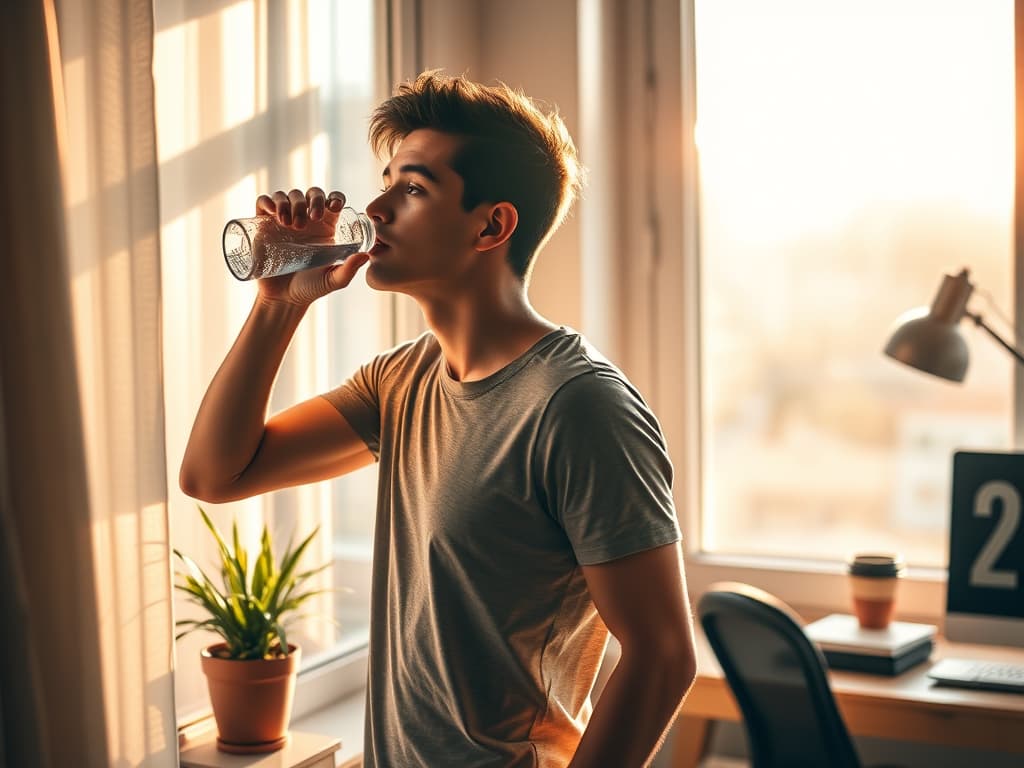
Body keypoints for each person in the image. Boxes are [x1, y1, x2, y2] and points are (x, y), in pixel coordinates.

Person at [180, 70, 697, 767]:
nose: (376, 207)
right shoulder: (401, 381)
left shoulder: (579, 406)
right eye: (387, 180)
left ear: (492, 224)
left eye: (413, 188)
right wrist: (280, 305)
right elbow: (214, 474)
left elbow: (663, 657)